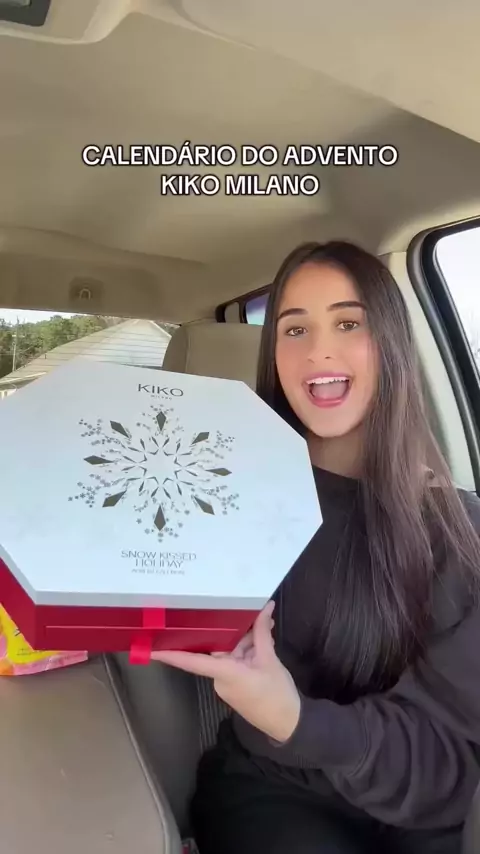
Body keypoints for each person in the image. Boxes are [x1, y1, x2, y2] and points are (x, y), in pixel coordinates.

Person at [153, 241, 480, 854]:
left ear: (392, 343)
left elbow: (454, 765)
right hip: (275, 791)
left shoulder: (461, 530)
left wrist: (297, 717)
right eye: (294, 329)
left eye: (349, 323)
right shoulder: (220, 500)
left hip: (422, 808)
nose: (319, 351)